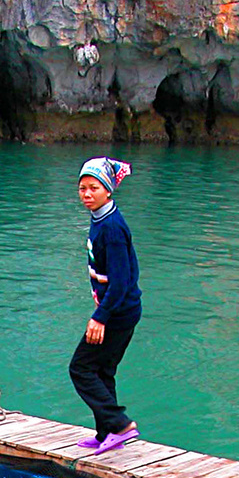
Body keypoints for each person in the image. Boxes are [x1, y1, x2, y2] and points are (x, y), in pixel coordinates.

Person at [69, 156, 142, 454]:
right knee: (102, 370)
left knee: (81, 368)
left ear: (108, 190)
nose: (87, 194)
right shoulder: (101, 217)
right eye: (82, 188)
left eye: (94, 188)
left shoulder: (111, 226)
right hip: (118, 310)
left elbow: (121, 281)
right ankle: (106, 434)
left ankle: (120, 425)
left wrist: (100, 317)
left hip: (118, 313)